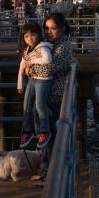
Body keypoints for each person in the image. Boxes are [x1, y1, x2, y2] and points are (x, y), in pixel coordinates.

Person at [29, 13, 73, 179]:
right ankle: (46, 168)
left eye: (53, 28)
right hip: (44, 97)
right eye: (46, 28)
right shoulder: (49, 45)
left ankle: (52, 172)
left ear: (61, 29)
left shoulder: (64, 47)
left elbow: (49, 69)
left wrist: (30, 67)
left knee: (51, 136)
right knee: (43, 134)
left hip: (54, 98)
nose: (49, 32)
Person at [17, 22, 53, 149]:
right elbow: (22, 66)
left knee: (39, 104)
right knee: (27, 105)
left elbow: (48, 59)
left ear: (38, 35)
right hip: (33, 79)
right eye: (26, 36)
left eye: (32, 35)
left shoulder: (43, 47)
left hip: (43, 79)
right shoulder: (27, 50)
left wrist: (31, 62)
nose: (30, 38)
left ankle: (44, 131)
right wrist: (20, 84)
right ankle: (27, 131)